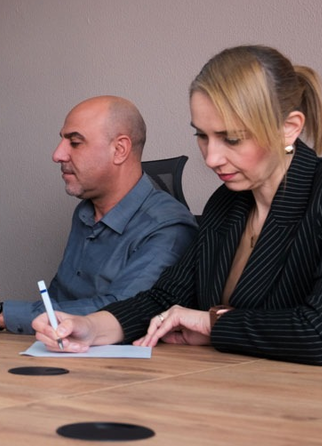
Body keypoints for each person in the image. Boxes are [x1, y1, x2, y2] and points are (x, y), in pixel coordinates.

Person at [34, 45, 322, 366]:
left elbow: (316, 330)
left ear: (290, 128)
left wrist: (211, 323)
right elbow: (165, 298)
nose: (211, 158)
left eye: (233, 138)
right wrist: (91, 326)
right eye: (202, 135)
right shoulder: (226, 204)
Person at [0, 96, 198, 334]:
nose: (58, 154)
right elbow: (58, 301)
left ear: (120, 150)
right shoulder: (86, 210)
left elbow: (122, 310)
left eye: (75, 142)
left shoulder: (168, 226)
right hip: (65, 350)